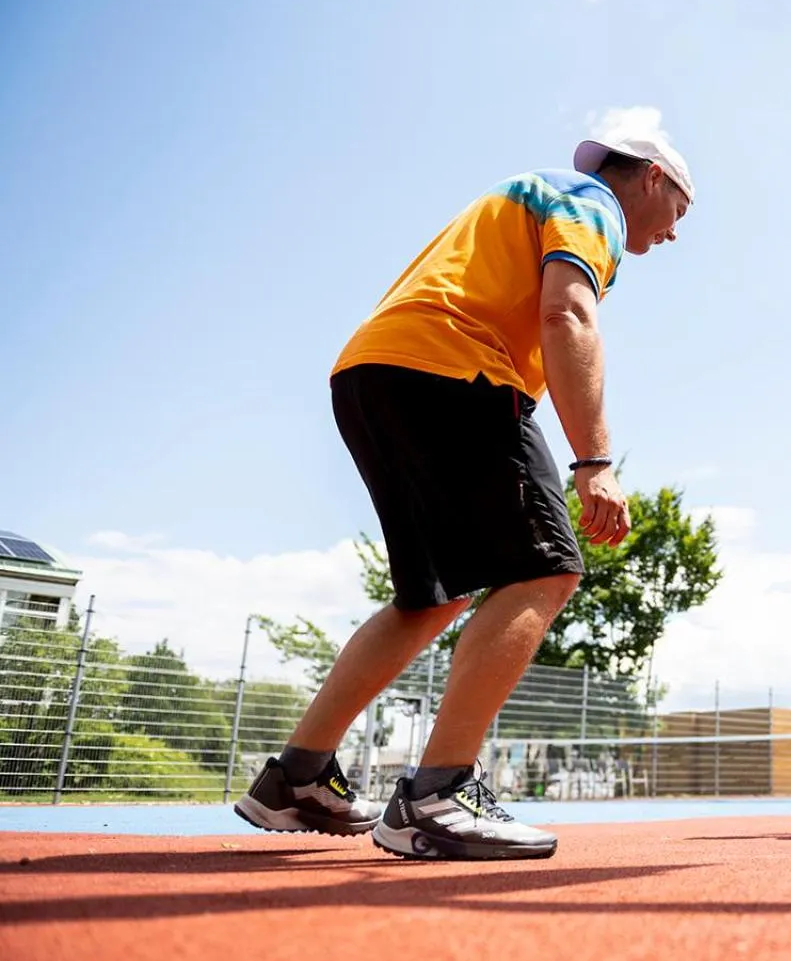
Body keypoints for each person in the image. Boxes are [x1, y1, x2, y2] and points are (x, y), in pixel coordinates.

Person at [233, 130, 694, 860]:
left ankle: (298, 775)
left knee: (433, 594)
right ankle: (438, 793)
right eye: (680, 206)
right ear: (652, 178)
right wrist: (594, 461)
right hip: (455, 372)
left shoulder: (530, 196)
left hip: (372, 373)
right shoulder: (593, 201)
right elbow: (567, 314)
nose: (674, 230)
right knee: (546, 566)